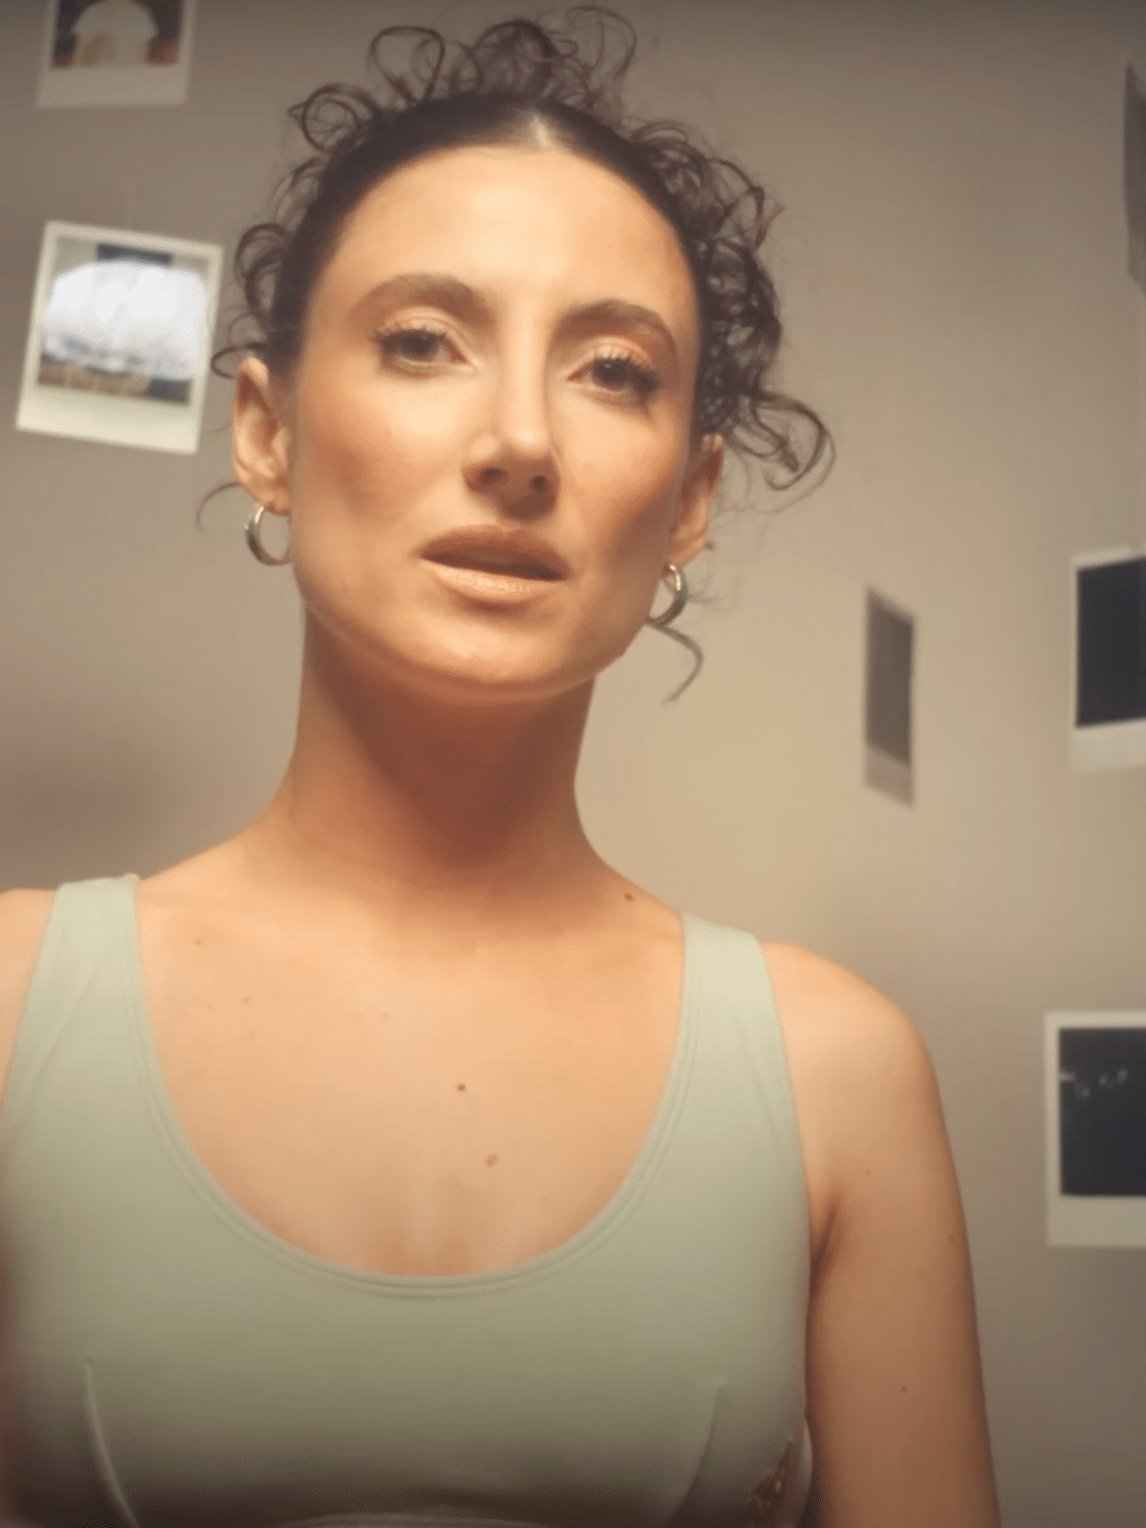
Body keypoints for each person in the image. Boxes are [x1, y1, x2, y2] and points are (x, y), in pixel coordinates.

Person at [0, 9, 1002, 1526]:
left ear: (689, 500)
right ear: (266, 432)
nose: (521, 439)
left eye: (613, 370)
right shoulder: (14, 1011)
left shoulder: (837, 1074)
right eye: (422, 341)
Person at [67, 0, 158, 69]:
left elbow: (141, 60)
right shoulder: (91, 13)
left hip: (126, 74)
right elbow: (77, 59)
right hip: (94, 74)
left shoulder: (140, 15)